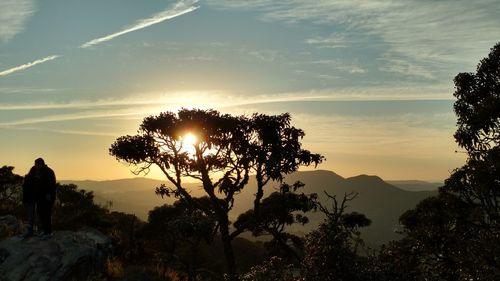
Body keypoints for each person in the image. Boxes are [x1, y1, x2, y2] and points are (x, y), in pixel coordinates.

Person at [21, 158, 56, 239]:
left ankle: (48, 232)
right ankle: (44, 231)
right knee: (41, 214)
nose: (35, 166)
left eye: (37, 164)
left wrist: (49, 194)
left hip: (46, 197)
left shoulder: (48, 172)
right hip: (38, 197)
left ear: (41, 164)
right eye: (35, 164)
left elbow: (51, 185)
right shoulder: (35, 170)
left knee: (46, 214)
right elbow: (31, 182)